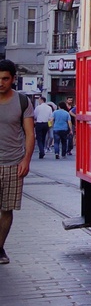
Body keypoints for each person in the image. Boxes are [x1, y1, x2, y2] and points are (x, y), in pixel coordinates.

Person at [0, 59, 36, 264]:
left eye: (5, 79)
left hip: (14, 163)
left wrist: (26, 160)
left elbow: (30, 134)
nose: (1, 83)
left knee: (7, 208)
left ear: (13, 79)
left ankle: (0, 247)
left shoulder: (23, 102)